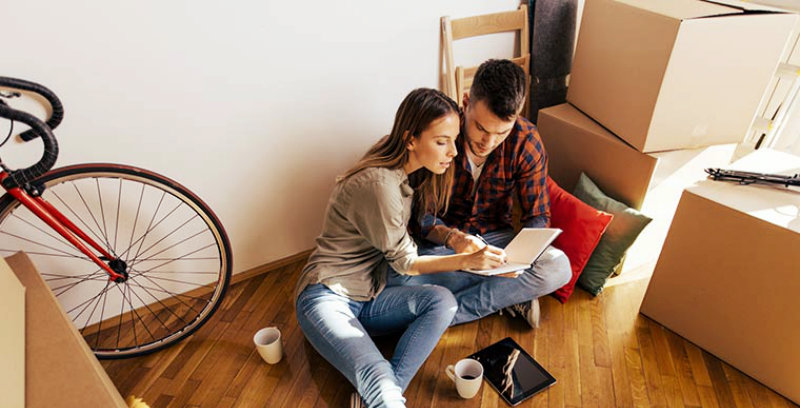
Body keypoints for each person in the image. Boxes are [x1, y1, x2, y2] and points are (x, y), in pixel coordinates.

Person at [294, 88, 506, 408]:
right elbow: (407, 263)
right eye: (441, 141)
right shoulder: (379, 184)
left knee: (442, 302)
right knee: (376, 374)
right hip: (326, 295)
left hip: (371, 294)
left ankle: (378, 396)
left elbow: (411, 242)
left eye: (454, 139)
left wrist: (458, 244)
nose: (453, 151)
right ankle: (383, 394)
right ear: (410, 140)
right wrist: (465, 260)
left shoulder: (406, 171)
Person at [390, 59, 571, 328]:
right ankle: (510, 295)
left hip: (498, 241)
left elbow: (538, 215)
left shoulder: (526, 141)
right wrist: (456, 241)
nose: (488, 142)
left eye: (501, 133)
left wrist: (523, 256)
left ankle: (440, 316)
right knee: (396, 277)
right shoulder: (440, 132)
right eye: (481, 128)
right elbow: (421, 218)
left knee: (558, 266)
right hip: (443, 246)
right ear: (466, 103)